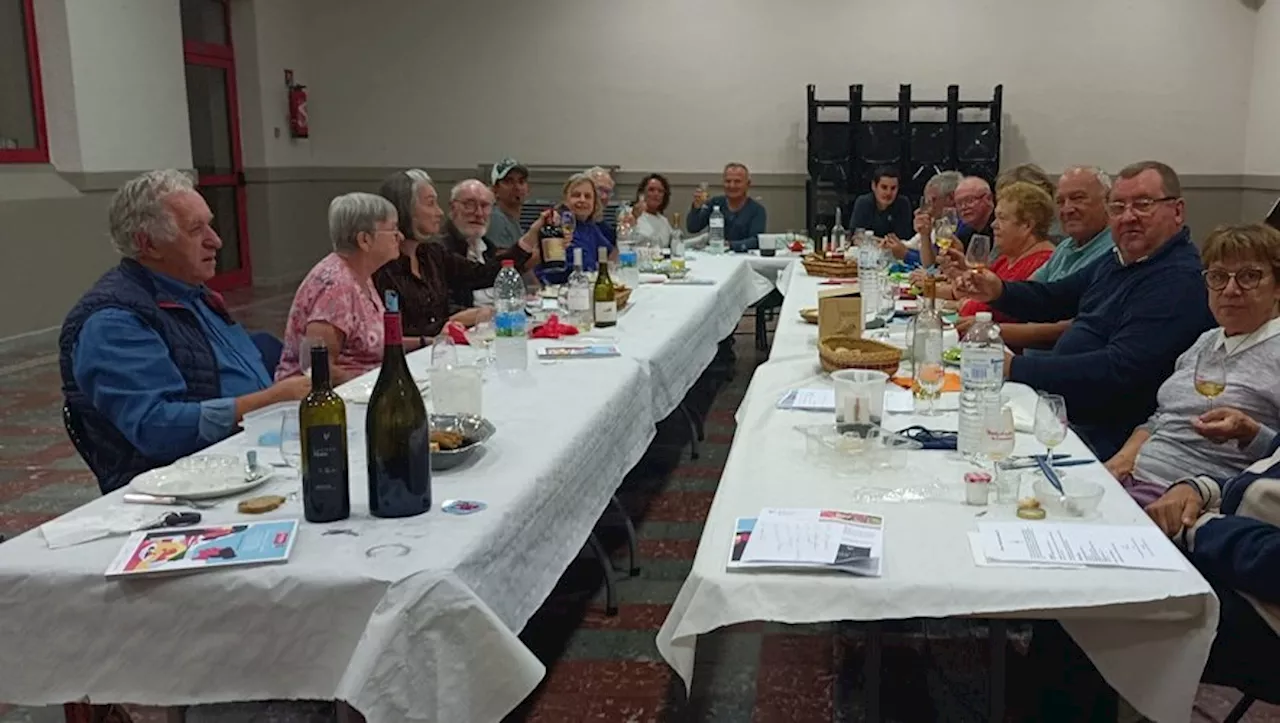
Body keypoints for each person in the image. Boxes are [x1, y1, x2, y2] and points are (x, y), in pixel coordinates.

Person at [60, 170, 310, 494]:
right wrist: (268, 401)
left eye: (210, 224)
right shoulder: (113, 321)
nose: (216, 240)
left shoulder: (192, 293)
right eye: (196, 230)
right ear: (147, 244)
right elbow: (157, 429)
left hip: (245, 457)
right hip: (182, 491)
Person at [953, 161, 1215, 460]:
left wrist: (1014, 368)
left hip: (1101, 436)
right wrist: (998, 290)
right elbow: (1056, 297)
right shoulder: (1121, 260)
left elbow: (1119, 370)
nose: (1128, 217)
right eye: (1118, 207)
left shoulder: (1176, 280)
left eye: (1142, 205)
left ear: (1177, 211)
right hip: (1060, 411)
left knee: (975, 451)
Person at [1022, 437, 1280, 721]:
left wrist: (1199, 526)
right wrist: (1196, 488)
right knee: (1075, 570)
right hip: (1229, 555)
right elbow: (1255, 481)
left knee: (1090, 601)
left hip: (1261, 607)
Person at [1103, 224, 1280, 505]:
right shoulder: (1207, 340)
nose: (1231, 290)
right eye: (1219, 277)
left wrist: (1251, 432)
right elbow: (1162, 417)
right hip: (1133, 479)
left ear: (1277, 286)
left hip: (1188, 499)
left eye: (1249, 276)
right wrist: (1119, 463)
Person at [276, 193, 424, 384]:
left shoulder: (361, 275)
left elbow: (374, 343)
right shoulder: (335, 287)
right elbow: (317, 367)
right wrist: (376, 384)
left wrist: (425, 342)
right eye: (393, 230)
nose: (401, 237)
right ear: (364, 240)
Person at [373, 170, 538, 340]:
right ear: (405, 209)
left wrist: (532, 235)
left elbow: (483, 273)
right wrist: (453, 320)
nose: (439, 212)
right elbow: (392, 333)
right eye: (431, 204)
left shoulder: (431, 253)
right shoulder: (381, 265)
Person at [986, 166, 1117, 353]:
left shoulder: (1113, 251)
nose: (1067, 209)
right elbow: (1034, 294)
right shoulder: (1066, 247)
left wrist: (988, 330)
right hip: (1031, 364)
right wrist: (989, 287)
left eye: (1078, 198)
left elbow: (1071, 328)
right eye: (1060, 202)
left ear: (1108, 201)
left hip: (1057, 371)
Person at [936, 182, 1056, 327]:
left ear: (1027, 225)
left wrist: (960, 304)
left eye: (1002, 218)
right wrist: (960, 272)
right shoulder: (1006, 259)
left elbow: (994, 312)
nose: (993, 225)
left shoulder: (1042, 262)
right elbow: (974, 295)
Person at [439, 179, 539, 309]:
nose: (479, 213)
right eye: (469, 204)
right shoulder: (441, 248)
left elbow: (496, 274)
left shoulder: (487, 246)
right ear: (452, 208)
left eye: (485, 206)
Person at [538, 173, 616, 285]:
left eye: (588, 196)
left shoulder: (590, 227)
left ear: (594, 203)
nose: (582, 200)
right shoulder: (554, 224)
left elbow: (609, 256)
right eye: (576, 195)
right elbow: (551, 273)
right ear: (565, 199)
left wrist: (623, 236)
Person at [880, 170, 963, 267]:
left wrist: (906, 255)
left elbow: (936, 265)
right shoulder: (940, 223)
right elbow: (926, 256)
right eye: (927, 201)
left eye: (933, 200)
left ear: (951, 198)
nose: (929, 207)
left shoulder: (962, 226)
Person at [686, 162, 768, 251]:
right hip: (715, 255)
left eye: (737, 182)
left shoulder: (757, 210)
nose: (732, 186)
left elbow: (756, 241)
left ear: (748, 184)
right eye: (728, 181)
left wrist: (729, 245)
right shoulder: (715, 203)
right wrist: (696, 207)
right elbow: (692, 228)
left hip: (743, 256)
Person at [849, 165, 913, 240]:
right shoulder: (863, 202)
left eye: (893, 188)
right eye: (884, 187)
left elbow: (903, 239)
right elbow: (856, 236)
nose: (888, 193)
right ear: (873, 186)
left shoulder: (903, 204)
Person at [487, 157, 529, 249]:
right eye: (509, 181)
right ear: (495, 189)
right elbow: (502, 259)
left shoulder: (513, 223)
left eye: (521, 181)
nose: (517, 187)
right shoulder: (495, 219)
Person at [627, 172, 675, 248]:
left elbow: (677, 243)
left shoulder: (664, 221)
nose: (656, 194)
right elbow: (624, 241)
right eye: (651, 190)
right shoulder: (629, 214)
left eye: (660, 191)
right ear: (642, 194)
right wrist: (634, 218)